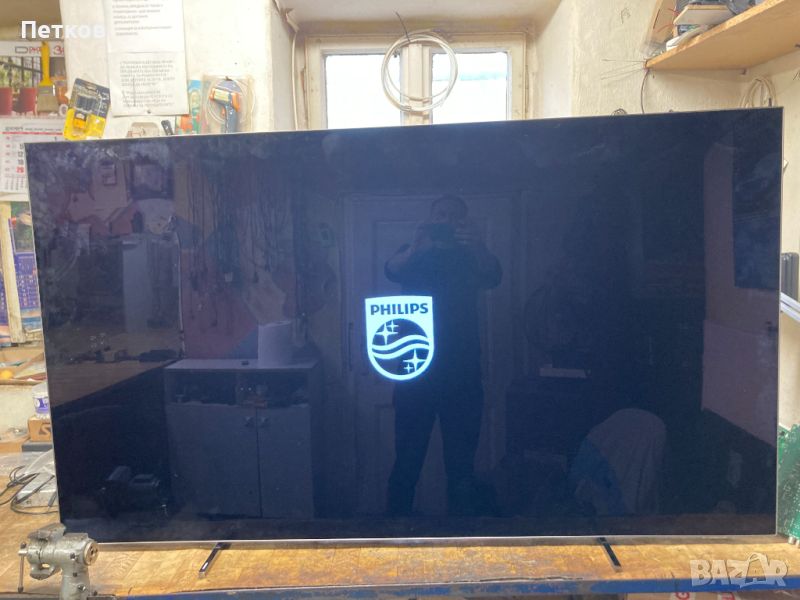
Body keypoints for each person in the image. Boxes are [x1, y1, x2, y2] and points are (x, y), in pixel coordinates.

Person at [384, 194, 502, 516]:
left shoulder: (471, 256)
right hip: (415, 372)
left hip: (462, 376)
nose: (446, 221)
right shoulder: (413, 254)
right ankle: (394, 533)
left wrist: (478, 244)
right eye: (440, 215)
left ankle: (460, 535)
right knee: (406, 462)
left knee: (461, 469)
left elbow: (494, 275)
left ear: (463, 222)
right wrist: (416, 245)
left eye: (454, 216)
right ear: (430, 218)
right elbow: (391, 269)